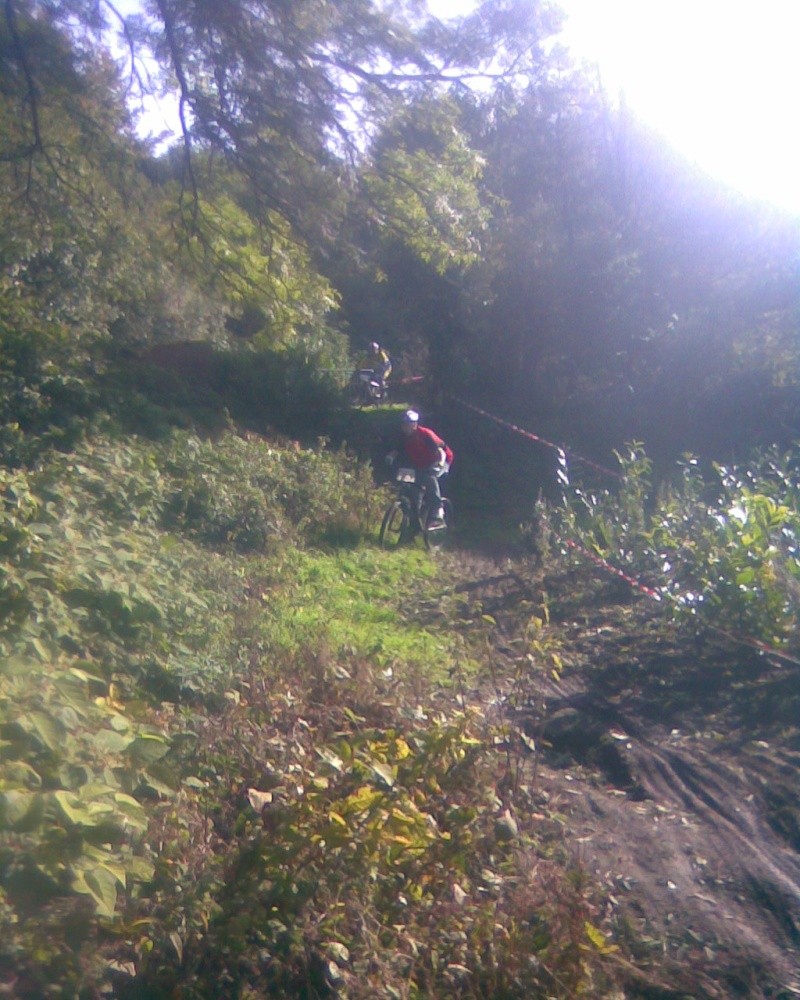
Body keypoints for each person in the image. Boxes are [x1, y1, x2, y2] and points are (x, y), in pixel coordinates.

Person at [387, 409, 453, 525]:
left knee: (429, 478)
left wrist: (441, 464)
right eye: (403, 424)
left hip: (441, 460)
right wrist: (390, 457)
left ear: (414, 425)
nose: (404, 427)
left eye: (407, 424)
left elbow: (441, 451)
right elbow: (397, 450)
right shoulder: (404, 437)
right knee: (413, 487)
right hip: (422, 463)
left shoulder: (425, 434)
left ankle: (438, 508)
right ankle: (415, 520)